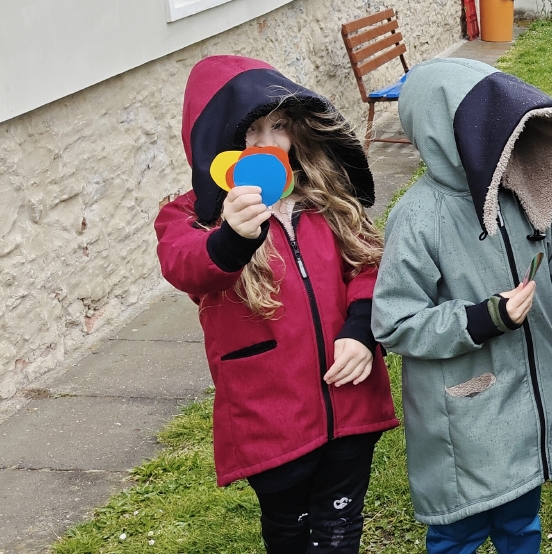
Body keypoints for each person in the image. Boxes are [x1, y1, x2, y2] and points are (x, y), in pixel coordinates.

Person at [154, 55, 396, 553]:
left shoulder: (323, 195)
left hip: (349, 398)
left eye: (279, 126)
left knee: (340, 529)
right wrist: (232, 238)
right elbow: (186, 265)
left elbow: (368, 264)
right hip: (272, 417)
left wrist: (361, 327)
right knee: (290, 531)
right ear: (218, 142)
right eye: (251, 131)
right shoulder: (193, 217)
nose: (267, 143)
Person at [373, 58, 552, 554]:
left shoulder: (529, 197)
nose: (502, 145)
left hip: (526, 407)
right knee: (459, 531)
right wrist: (481, 318)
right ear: (445, 135)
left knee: (521, 520)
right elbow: (394, 321)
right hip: (465, 413)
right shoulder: (419, 217)